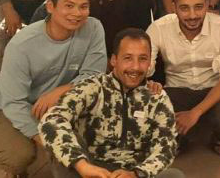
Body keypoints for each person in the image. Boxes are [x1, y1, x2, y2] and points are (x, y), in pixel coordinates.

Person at [0, 0, 106, 177]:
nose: (77, 13)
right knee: (20, 154)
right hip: (10, 106)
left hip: (58, 104)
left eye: (83, 7)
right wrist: (48, 140)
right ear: (50, 6)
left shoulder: (93, 28)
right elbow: (14, 102)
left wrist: (62, 90)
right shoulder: (22, 45)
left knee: (94, 142)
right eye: (69, 6)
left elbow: (95, 74)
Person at [39, 28, 184, 178]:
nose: (135, 67)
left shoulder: (157, 97)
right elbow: (51, 120)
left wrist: (136, 173)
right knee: (59, 138)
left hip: (134, 171)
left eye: (142, 59)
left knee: (174, 175)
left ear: (150, 62)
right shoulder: (93, 87)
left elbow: (167, 146)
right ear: (114, 60)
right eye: (128, 58)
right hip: (90, 170)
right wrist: (82, 166)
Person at [146, 0, 220, 156]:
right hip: (176, 89)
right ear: (174, 7)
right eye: (184, 8)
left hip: (213, 88)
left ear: (207, 5)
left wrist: (195, 113)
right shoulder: (158, 27)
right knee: (152, 109)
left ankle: (218, 136)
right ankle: (180, 137)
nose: (192, 15)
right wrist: (146, 81)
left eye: (198, 7)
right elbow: (145, 65)